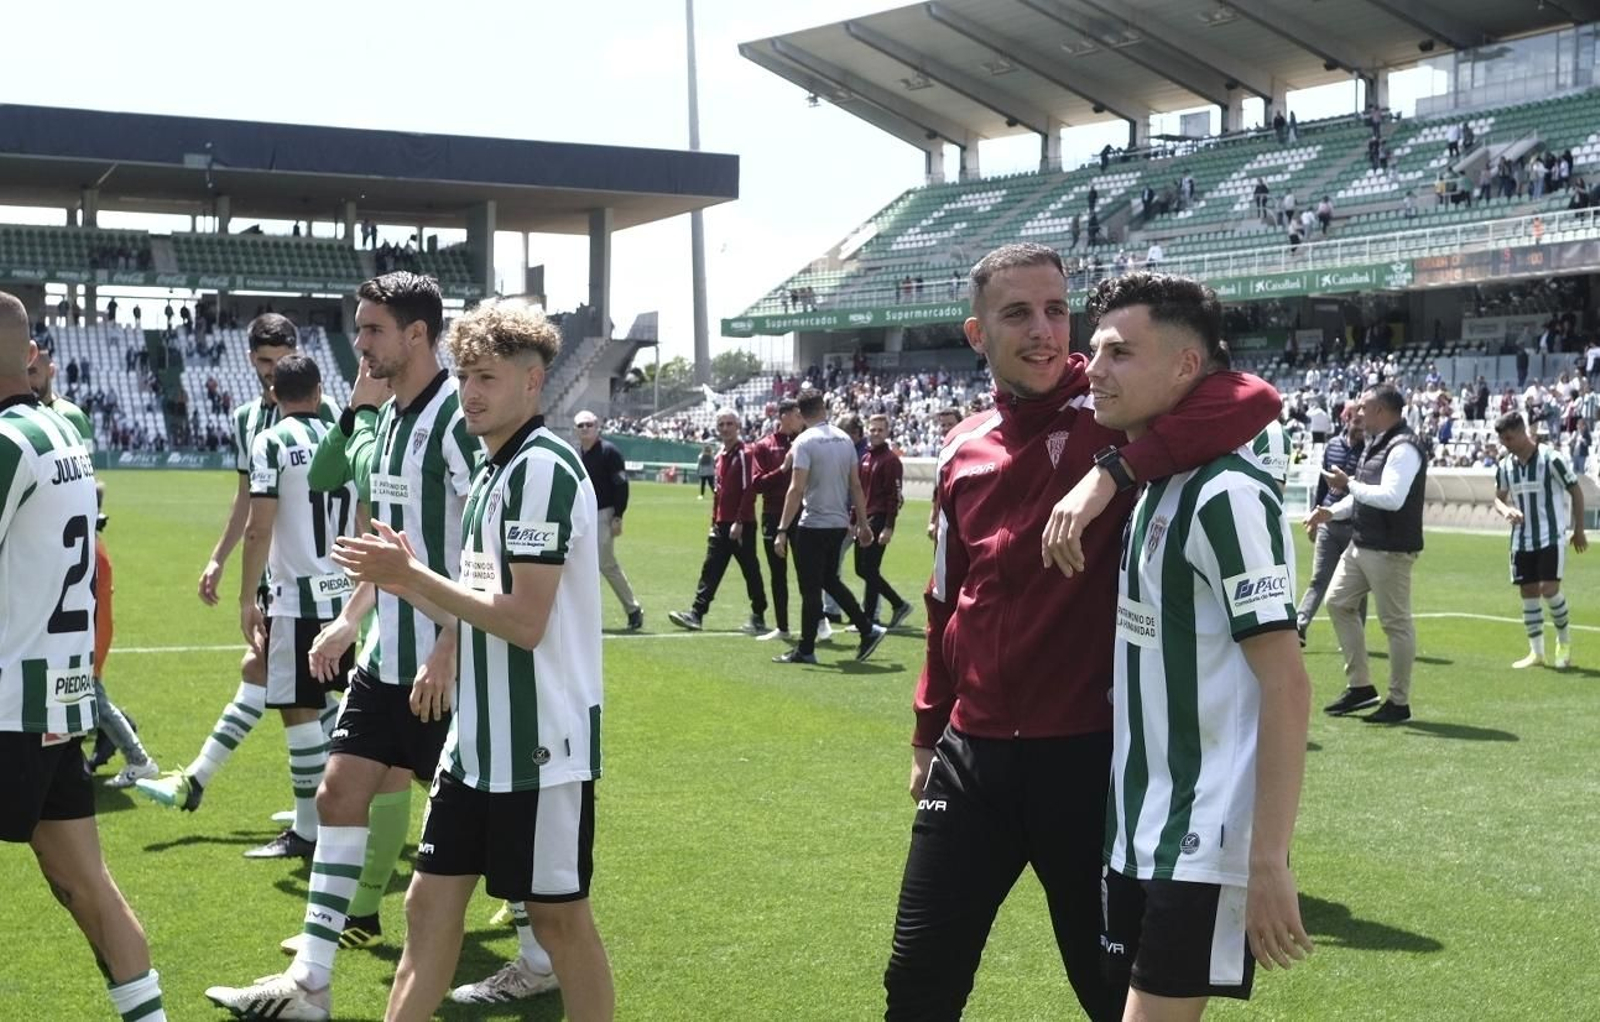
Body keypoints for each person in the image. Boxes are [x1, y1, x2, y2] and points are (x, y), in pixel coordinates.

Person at [882, 248, 1280, 1021]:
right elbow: (945, 604)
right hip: (973, 758)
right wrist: (928, 731)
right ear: (976, 332)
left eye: (1057, 311)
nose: (1044, 332)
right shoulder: (963, 449)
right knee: (917, 982)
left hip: (1090, 762)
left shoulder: (1116, 413)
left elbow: (1252, 396)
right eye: (1017, 314)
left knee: (1110, 995)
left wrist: (1112, 473)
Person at [206, 274, 556, 1017]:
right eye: (359, 330)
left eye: (371, 331)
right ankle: (312, 984)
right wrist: (351, 616)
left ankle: (539, 957)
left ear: (417, 336)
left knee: (487, 837)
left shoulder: (460, 424)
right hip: (384, 655)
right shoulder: (389, 419)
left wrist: (449, 649)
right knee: (339, 792)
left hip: (446, 668)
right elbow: (378, 533)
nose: (358, 344)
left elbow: (479, 547)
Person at [331, 300, 613, 1021]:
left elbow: (523, 622)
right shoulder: (493, 471)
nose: (471, 394)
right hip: (475, 745)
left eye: (487, 377)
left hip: (542, 747)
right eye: (464, 378)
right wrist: (384, 597)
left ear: (533, 381)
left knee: (559, 923)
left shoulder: (542, 470)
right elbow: (473, 609)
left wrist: (409, 576)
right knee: (426, 913)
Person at [1085, 272, 1312, 1017]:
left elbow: (1287, 682)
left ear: (1187, 366)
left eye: (1120, 353)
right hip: (1139, 827)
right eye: (1094, 352)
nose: (1095, 370)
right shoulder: (1152, 483)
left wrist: (1268, 857)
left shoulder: (1226, 497)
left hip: (1201, 837)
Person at [0, 290, 169, 1020]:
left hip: (8, 698)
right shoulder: (56, 432)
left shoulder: (8, 442)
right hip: (56, 695)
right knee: (84, 884)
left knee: (86, 884)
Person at [137, 314, 340, 846]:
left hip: (306, 582)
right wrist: (217, 558)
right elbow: (249, 503)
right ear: (251, 360)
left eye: (281, 363)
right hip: (284, 579)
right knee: (281, 679)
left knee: (292, 688)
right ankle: (307, 802)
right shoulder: (249, 419)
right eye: (264, 364)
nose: (272, 375)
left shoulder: (326, 417)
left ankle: (306, 812)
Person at [232, 353, 363, 860]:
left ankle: (308, 829)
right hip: (346, 597)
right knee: (342, 707)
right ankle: (332, 807)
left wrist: (248, 598)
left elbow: (258, 526)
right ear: (318, 391)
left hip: (297, 599)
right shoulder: (342, 438)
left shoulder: (271, 441)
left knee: (298, 709)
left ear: (273, 396)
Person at [1307, 385, 1426, 724]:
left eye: (1364, 407)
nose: (1356, 413)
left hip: (1390, 550)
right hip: (1363, 544)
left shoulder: (1404, 448)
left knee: (1396, 625)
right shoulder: (1376, 444)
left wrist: (1348, 485)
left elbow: (1391, 497)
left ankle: (1398, 702)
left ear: (1383, 411)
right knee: (1337, 602)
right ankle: (1361, 687)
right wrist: (1331, 512)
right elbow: (1364, 495)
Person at [770, 391, 884, 665]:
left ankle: (813, 647)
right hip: (839, 522)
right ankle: (860, 631)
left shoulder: (804, 442)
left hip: (814, 523)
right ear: (823, 408)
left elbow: (796, 489)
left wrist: (783, 529)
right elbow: (855, 485)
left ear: (800, 413)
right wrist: (864, 524)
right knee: (829, 580)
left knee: (811, 588)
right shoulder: (845, 439)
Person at [1492, 412, 1588, 669]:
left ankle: (1564, 644)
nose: (1506, 444)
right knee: (1529, 592)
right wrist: (1506, 511)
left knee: (1549, 589)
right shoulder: (1506, 466)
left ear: (1523, 432)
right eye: (1503, 441)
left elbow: (1576, 491)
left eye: (1509, 438)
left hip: (1551, 537)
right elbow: (1498, 497)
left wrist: (1578, 529)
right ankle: (1536, 653)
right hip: (1521, 540)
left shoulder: (1551, 459)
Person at [667, 409, 768, 634]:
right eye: (721, 424)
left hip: (741, 524)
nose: (725, 428)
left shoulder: (745, 453)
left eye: (729, 424)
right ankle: (697, 613)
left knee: (750, 569)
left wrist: (740, 521)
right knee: (711, 567)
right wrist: (714, 520)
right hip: (722, 523)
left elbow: (749, 489)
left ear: (738, 426)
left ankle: (759, 614)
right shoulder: (720, 455)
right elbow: (719, 492)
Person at [91, 482, 163, 788]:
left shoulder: (90, 548)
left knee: (96, 702)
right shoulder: (93, 544)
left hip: (89, 637)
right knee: (88, 701)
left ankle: (139, 759)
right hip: (93, 633)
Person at [1297, 408, 1366, 645]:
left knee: (1358, 584)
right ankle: (1299, 626)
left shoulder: (1369, 451)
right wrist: (1315, 515)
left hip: (1355, 525)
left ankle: (1356, 636)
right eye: (1357, 421)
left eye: (1364, 422)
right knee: (1319, 578)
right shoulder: (1332, 446)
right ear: (1346, 420)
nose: (1361, 427)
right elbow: (1322, 484)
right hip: (1328, 523)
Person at [575, 410, 643, 631]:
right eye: (581, 426)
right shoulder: (579, 454)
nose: (585, 429)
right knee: (582, 565)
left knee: (605, 563)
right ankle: (583, 615)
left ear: (597, 427)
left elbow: (621, 485)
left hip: (604, 514)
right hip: (583, 516)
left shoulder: (609, 452)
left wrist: (618, 516)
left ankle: (633, 609)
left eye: (589, 425)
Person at [742, 397, 803, 640]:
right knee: (778, 573)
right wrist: (783, 469)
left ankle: (819, 622)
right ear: (784, 416)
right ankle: (783, 627)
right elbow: (757, 484)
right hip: (773, 514)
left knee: (806, 571)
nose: (800, 419)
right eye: (797, 414)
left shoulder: (805, 442)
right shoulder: (764, 446)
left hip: (801, 513)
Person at [854, 413, 913, 630]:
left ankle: (878, 614)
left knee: (869, 568)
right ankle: (890, 608)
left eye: (880, 430)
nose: (876, 433)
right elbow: (858, 491)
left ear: (887, 432)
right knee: (863, 569)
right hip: (865, 519)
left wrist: (889, 527)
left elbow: (894, 496)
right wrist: (855, 520)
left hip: (878, 519)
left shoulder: (891, 461)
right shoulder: (866, 458)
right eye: (873, 429)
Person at [25, 345, 93, 448]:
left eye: (32, 372)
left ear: (51, 371)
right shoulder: (13, 414)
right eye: (22, 374)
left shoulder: (71, 417)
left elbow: (87, 463)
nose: (25, 381)